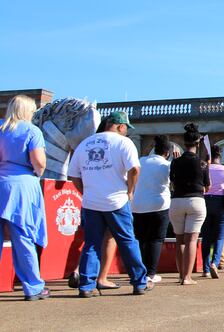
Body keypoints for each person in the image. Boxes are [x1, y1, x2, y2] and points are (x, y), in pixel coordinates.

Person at [68, 111, 153, 297]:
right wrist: (130, 191)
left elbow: (73, 174)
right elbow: (134, 169)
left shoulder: (85, 144)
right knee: (127, 241)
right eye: (126, 129)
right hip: (116, 200)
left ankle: (86, 285)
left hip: (91, 202)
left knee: (91, 243)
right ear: (121, 126)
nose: (126, 132)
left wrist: (86, 190)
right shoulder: (124, 143)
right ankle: (139, 282)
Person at [0, 95, 49, 301]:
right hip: (21, 185)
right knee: (23, 235)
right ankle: (33, 287)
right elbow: (38, 161)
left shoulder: (1, 127)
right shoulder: (32, 130)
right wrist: (38, 172)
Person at [169, 123, 209, 285]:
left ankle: (181, 275)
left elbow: (172, 182)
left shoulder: (175, 162)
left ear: (184, 143)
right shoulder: (202, 163)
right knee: (192, 239)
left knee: (179, 240)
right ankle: (187, 277)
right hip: (196, 200)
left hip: (177, 200)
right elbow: (207, 186)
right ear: (198, 143)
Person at [132, 135, 173, 283]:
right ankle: (151, 273)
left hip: (138, 205)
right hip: (159, 205)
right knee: (155, 239)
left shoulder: (141, 160)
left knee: (141, 239)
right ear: (167, 153)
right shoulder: (167, 165)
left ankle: (139, 271)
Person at [200, 145, 224, 278]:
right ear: (220, 155)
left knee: (206, 236)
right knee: (220, 236)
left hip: (206, 201)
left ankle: (205, 268)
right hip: (222, 203)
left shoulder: (205, 168)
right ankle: (215, 262)